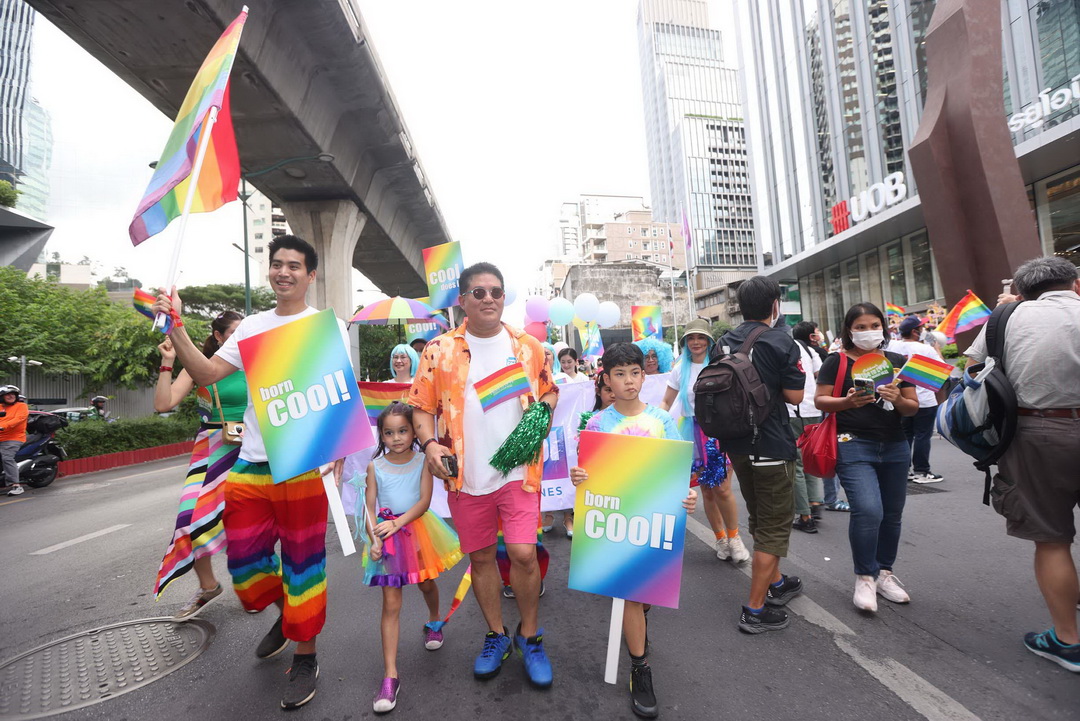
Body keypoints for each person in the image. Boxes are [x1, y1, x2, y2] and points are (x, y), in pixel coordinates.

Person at [152, 235, 350, 710]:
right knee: (245, 567)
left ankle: (306, 655)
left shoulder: (328, 326)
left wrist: (337, 458)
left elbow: (339, 393)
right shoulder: (253, 327)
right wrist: (177, 326)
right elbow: (203, 373)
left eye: (294, 266)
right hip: (252, 464)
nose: (284, 272)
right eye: (277, 264)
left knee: (304, 565)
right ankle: (286, 615)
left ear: (311, 274)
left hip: (303, 465)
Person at [409, 261, 559, 688]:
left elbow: (548, 389)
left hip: (518, 471)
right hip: (465, 477)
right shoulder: (437, 351)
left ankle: (530, 636)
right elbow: (420, 406)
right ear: (463, 300)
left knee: (523, 553)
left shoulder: (529, 347)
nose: (489, 298)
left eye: (496, 291)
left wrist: (540, 417)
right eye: (479, 292)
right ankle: (496, 635)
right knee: (480, 559)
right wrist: (430, 444)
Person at [570, 342, 697, 719]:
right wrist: (580, 478)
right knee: (629, 594)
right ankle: (640, 669)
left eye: (635, 373)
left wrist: (686, 495)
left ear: (644, 375)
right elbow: (588, 477)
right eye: (619, 374)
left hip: (653, 521)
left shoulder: (661, 421)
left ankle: (640, 624)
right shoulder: (597, 424)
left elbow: (676, 472)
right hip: (616, 523)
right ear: (606, 380)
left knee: (642, 598)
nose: (629, 381)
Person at [964, 256, 1080, 671]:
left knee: (1052, 540)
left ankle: (1068, 641)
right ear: (1075, 285)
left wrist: (1004, 311)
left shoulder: (1007, 316)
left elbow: (975, 370)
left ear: (1022, 291)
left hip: (1038, 433)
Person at [815, 302, 919, 613]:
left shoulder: (899, 362)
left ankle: (884, 573)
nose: (867, 332)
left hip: (896, 446)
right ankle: (864, 576)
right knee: (868, 510)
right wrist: (847, 402)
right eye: (860, 327)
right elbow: (821, 399)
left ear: (883, 327)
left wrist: (897, 397)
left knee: (892, 513)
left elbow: (913, 407)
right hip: (852, 443)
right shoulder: (837, 362)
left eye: (873, 325)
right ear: (849, 330)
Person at [716, 276, 806, 634]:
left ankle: (778, 581)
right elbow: (796, 397)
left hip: (737, 445)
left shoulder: (722, 341)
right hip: (770, 444)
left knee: (759, 513)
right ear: (774, 305)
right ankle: (754, 610)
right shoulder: (781, 341)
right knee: (773, 526)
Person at [363, 402, 463, 712]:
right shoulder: (374, 466)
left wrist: (398, 523)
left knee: (426, 583)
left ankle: (434, 621)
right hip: (387, 540)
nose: (396, 438)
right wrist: (373, 538)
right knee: (390, 604)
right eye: (389, 432)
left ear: (413, 432)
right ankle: (390, 675)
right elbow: (368, 506)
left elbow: (424, 502)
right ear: (381, 435)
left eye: (403, 431)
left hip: (416, 532)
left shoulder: (422, 461)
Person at [152, 311, 246, 620]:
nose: (241, 337)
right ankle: (208, 586)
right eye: (234, 332)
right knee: (188, 519)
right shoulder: (200, 366)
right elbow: (164, 404)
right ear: (219, 337)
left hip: (252, 448)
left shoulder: (257, 362)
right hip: (209, 449)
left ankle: (256, 587)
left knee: (247, 524)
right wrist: (168, 361)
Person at [659, 319, 749, 564]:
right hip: (692, 430)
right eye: (690, 338)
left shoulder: (722, 364)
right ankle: (720, 539)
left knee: (722, 488)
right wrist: (657, 422)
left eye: (700, 338)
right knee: (707, 491)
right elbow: (666, 402)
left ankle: (735, 538)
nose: (695, 342)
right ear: (685, 342)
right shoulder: (679, 369)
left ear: (710, 341)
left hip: (720, 432)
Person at [887, 316, 945, 483]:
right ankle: (922, 471)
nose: (923, 331)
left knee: (906, 435)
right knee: (922, 436)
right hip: (924, 400)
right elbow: (941, 374)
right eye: (921, 328)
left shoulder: (893, 345)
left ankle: (904, 470)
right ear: (914, 331)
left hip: (902, 399)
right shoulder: (925, 349)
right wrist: (936, 348)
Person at [788, 321, 826, 532]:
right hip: (814, 409)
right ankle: (815, 502)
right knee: (809, 458)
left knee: (797, 464)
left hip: (794, 410)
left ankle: (804, 516)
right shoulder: (811, 352)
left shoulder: (786, 348)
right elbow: (819, 376)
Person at [0, 385, 29, 496]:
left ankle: (16, 485)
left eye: (13, 394)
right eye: (8, 394)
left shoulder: (21, 406)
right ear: (2, 396)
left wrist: (3, 426)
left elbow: (18, 419)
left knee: (7, 457)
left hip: (13, 438)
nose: (11, 396)